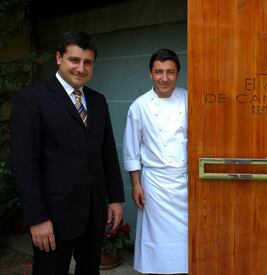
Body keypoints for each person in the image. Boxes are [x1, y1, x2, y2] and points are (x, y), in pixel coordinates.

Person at [10, 31, 125, 275]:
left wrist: (115, 198)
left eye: (88, 62)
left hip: (93, 215)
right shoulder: (32, 99)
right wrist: (37, 218)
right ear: (59, 58)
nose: (81, 68)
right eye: (75, 60)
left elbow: (107, 153)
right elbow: (24, 164)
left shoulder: (98, 101)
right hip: (52, 218)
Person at [123, 48, 188, 274]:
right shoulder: (139, 106)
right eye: (158, 72)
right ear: (150, 73)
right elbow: (132, 150)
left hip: (184, 181)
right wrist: (136, 184)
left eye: (170, 72)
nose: (164, 78)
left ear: (178, 73)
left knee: (185, 241)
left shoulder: (190, 99)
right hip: (155, 185)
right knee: (157, 245)